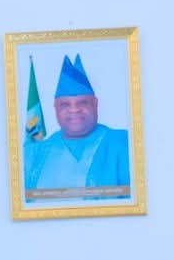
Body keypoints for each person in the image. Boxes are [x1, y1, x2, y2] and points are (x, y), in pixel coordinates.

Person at [22, 54, 132, 196]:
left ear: (95, 104)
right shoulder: (36, 153)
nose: (74, 109)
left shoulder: (124, 143)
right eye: (65, 104)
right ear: (55, 108)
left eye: (82, 102)